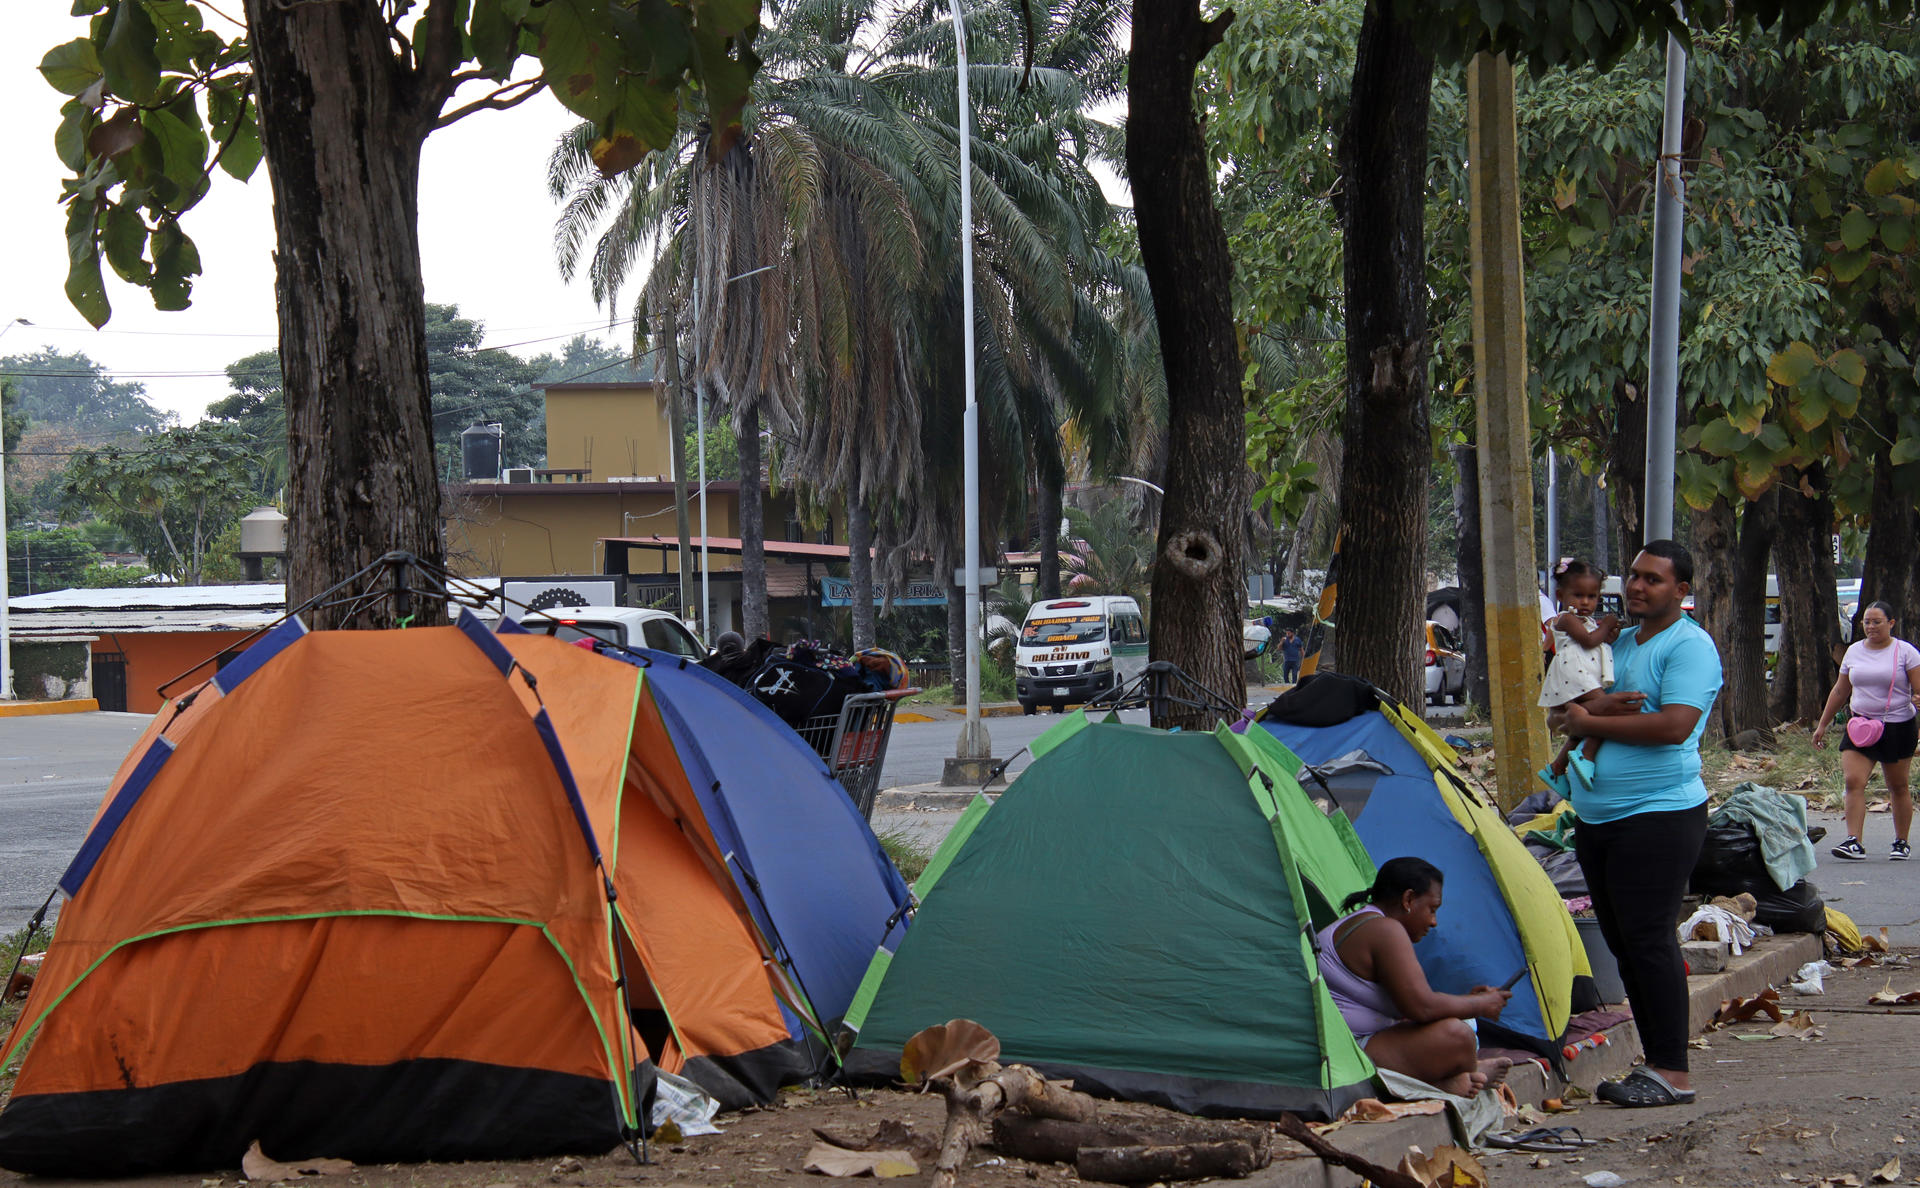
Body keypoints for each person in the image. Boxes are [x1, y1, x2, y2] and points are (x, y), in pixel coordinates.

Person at [1556, 540, 1721, 1109]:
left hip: (1659, 815)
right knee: (1625, 944)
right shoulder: (1616, 643)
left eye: (1652, 578)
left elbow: (1674, 726)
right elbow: (1564, 711)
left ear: (1681, 590)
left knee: (1649, 940)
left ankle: (1673, 1071)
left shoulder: (1689, 647)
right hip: (1597, 816)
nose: (1636, 586)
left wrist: (1589, 719)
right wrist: (1580, 716)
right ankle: (1654, 1064)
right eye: (1632, 575)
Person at [1315, 857, 1513, 1097]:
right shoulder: (1385, 930)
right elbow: (1422, 1007)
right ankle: (1445, 1079)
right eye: (1432, 909)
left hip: (1367, 1043)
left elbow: (1411, 1005)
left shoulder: (1368, 923)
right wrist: (1481, 1004)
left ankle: (1451, 1076)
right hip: (1350, 1054)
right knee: (1459, 1036)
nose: (1434, 922)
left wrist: (1470, 1003)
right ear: (1408, 899)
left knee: (1465, 1023)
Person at [1813, 601, 1920, 861]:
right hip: (1860, 726)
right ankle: (1854, 841)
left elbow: (1919, 690)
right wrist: (1823, 724)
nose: (1871, 627)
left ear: (1891, 623)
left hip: (1897, 726)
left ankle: (1901, 842)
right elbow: (1841, 690)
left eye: (1877, 622)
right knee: (1853, 781)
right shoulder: (1854, 651)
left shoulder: (1906, 652)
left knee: (1898, 785)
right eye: (1867, 622)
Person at [1537, 559, 1621, 790]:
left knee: (1586, 721)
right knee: (1607, 712)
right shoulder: (1566, 618)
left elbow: (1599, 641)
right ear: (1561, 595)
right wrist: (1607, 625)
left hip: (1582, 673)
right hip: (1575, 673)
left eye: (1592, 596)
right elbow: (1589, 641)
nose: (1585, 602)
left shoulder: (1586, 621)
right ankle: (1587, 756)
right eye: (1578, 595)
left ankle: (1556, 768)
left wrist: (1609, 634)